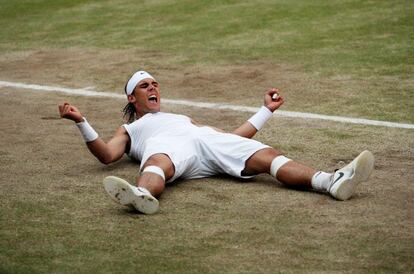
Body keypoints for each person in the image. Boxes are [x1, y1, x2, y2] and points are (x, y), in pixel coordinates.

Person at [58, 70, 375, 214]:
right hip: (169, 150)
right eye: (144, 85)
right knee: (158, 163)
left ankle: (329, 181)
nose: (153, 87)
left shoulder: (183, 118)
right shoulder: (132, 129)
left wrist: (265, 111)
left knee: (267, 156)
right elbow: (107, 155)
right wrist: (81, 121)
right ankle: (142, 195)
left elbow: (230, 138)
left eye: (155, 83)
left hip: (206, 143)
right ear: (132, 96)